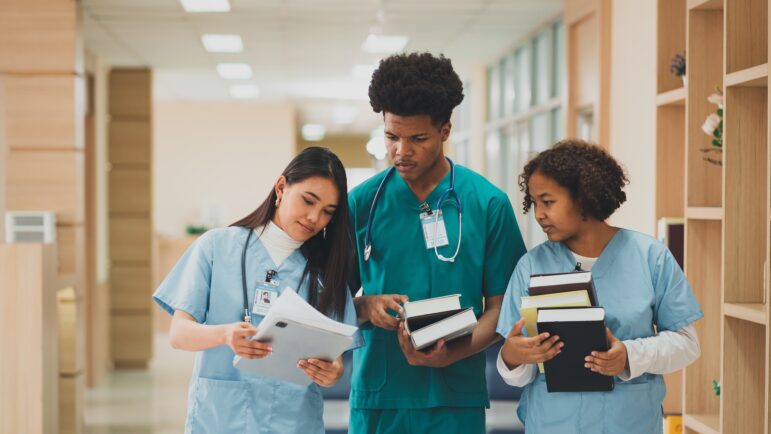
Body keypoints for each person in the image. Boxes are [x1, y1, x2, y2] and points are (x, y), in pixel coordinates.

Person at [348, 52, 527, 434]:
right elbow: (326, 301)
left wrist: (452, 355)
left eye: (418, 138)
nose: (401, 151)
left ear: (445, 130)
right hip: (379, 398)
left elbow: (504, 306)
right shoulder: (361, 204)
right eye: (391, 137)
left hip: (454, 399)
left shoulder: (486, 204)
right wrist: (365, 305)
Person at [496, 140, 702, 433]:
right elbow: (519, 375)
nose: (538, 213)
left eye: (548, 201)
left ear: (584, 198)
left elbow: (687, 345)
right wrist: (513, 356)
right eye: (534, 202)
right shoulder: (531, 266)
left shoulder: (650, 257)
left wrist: (629, 355)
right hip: (553, 423)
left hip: (629, 422)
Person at [153, 146, 361, 434]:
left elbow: (335, 359)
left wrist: (332, 373)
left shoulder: (327, 272)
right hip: (220, 419)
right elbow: (179, 334)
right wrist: (225, 335)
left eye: (327, 212)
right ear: (281, 188)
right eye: (308, 201)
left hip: (294, 422)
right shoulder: (216, 247)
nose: (314, 218)